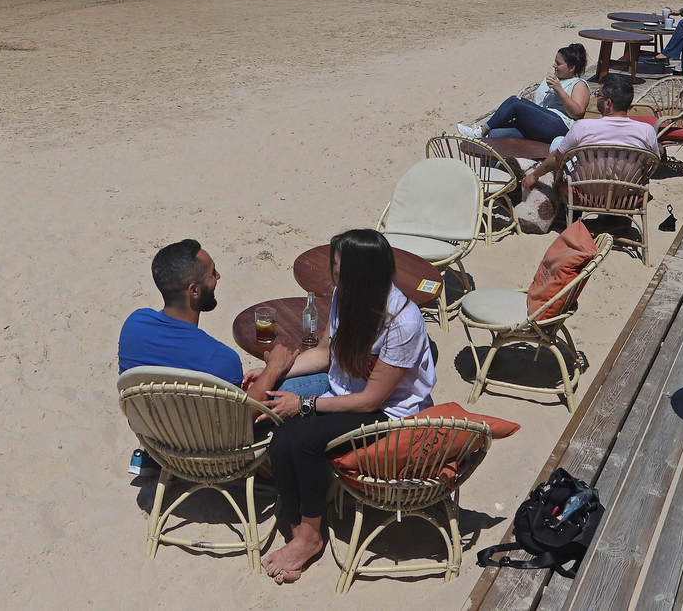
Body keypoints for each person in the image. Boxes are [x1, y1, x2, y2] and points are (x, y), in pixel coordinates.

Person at [259, 229, 436, 585]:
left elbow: (372, 400)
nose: (332, 276)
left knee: (304, 439)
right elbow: (324, 353)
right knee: (282, 432)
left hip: (389, 413)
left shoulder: (403, 322)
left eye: (338, 269)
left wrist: (306, 404)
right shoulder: (346, 296)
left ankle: (310, 536)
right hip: (345, 390)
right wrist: (273, 371)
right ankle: (299, 525)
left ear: (362, 275)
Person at [118, 240, 329, 401]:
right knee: (321, 382)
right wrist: (273, 367)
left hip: (157, 436)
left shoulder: (134, 326)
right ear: (194, 290)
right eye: (212, 273)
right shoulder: (219, 358)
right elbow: (242, 417)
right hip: (212, 447)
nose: (218, 276)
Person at [520, 73, 660, 192]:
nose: (596, 97)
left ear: (608, 103)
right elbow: (650, 163)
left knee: (558, 142)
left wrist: (534, 176)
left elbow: (556, 159)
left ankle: (567, 212)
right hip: (626, 194)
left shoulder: (584, 127)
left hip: (586, 191)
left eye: (598, 95)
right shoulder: (647, 131)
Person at [458, 44, 590, 142]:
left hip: (558, 127)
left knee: (514, 102)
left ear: (571, 68)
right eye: (555, 62)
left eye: (558, 63)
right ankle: (489, 176)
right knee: (495, 135)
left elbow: (577, 113)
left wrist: (560, 90)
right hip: (537, 126)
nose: (554, 66)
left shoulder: (578, 84)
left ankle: (480, 131)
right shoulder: (551, 79)